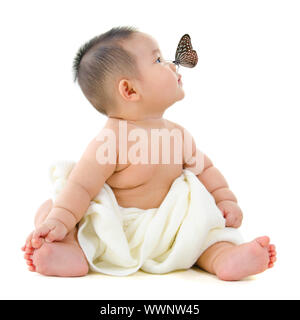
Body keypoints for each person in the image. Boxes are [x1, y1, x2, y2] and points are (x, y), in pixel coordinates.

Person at [22, 26, 276, 280]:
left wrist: (225, 200)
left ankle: (223, 258)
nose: (172, 65)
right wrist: (61, 220)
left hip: (173, 227)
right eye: (158, 60)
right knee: (54, 208)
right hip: (117, 231)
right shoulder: (110, 141)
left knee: (204, 229)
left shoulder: (178, 134)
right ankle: (70, 250)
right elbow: (80, 186)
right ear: (129, 91)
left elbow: (206, 170)